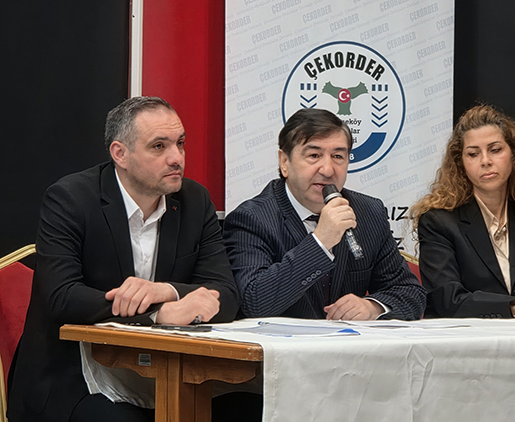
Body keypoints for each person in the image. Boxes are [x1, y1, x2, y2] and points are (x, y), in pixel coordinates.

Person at [8, 97, 239, 422]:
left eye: (180, 143)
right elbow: (62, 297)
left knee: (249, 406)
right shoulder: (71, 199)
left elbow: (226, 294)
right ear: (120, 154)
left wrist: (166, 291)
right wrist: (157, 313)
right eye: (159, 146)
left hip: (168, 371)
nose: (176, 157)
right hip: (74, 374)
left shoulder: (194, 200)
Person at [222, 108, 426, 321]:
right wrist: (320, 242)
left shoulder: (368, 212)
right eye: (314, 156)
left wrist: (373, 307)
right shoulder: (251, 219)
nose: (328, 170)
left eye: (338, 156)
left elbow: (411, 293)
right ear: (284, 162)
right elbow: (253, 302)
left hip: (349, 341)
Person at [410, 104, 515, 319]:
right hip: (465, 338)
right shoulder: (439, 222)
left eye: (495, 150)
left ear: (514, 155)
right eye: (473, 154)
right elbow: (446, 299)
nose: (485, 161)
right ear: (461, 164)